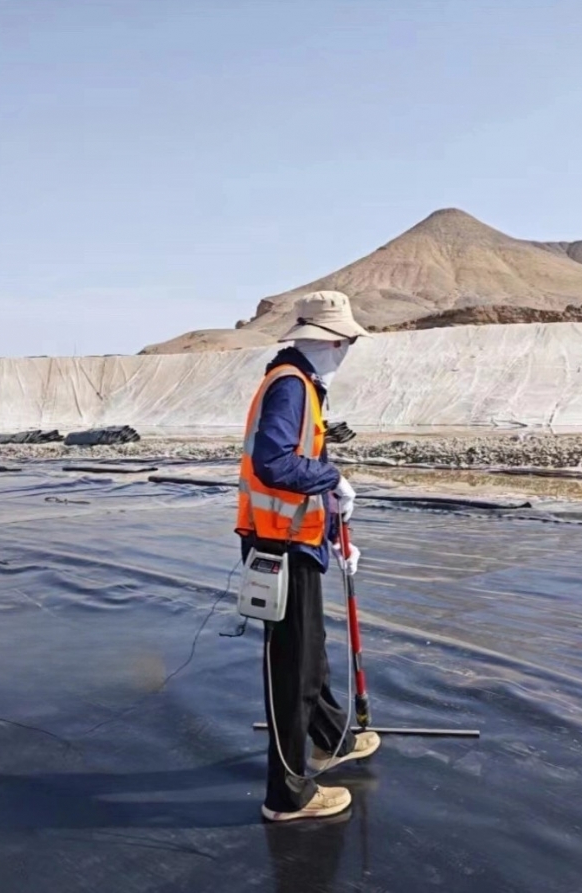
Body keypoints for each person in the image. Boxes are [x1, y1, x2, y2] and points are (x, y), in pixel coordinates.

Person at [236, 290, 382, 822]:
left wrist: (334, 532)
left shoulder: (300, 383)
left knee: (310, 653)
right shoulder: (292, 388)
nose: (346, 351)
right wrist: (333, 477)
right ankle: (288, 794)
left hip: (296, 539)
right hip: (280, 544)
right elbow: (275, 463)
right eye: (343, 342)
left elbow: (298, 461)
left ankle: (330, 740)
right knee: (292, 669)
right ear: (328, 341)